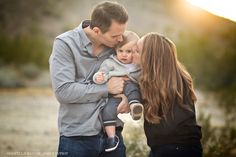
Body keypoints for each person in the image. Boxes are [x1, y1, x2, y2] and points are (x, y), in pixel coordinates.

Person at [49, 1, 130, 157]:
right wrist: (106, 89)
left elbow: (134, 70)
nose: (121, 39)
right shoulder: (65, 44)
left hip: (113, 135)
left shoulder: (118, 44)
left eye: (122, 33)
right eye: (115, 36)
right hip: (77, 138)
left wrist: (128, 97)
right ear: (96, 30)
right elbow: (64, 91)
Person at [132, 32, 202, 157]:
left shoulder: (150, 81)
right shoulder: (178, 76)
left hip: (174, 149)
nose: (133, 54)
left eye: (137, 51)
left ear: (149, 57)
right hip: (187, 147)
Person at [93, 30, 143, 152]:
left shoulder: (137, 66)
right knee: (107, 110)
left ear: (136, 52)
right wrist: (99, 77)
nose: (124, 54)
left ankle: (135, 106)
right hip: (113, 95)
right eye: (121, 51)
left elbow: (143, 81)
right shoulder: (110, 62)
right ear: (116, 50)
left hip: (131, 93)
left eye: (129, 51)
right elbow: (102, 73)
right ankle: (111, 138)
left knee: (131, 86)